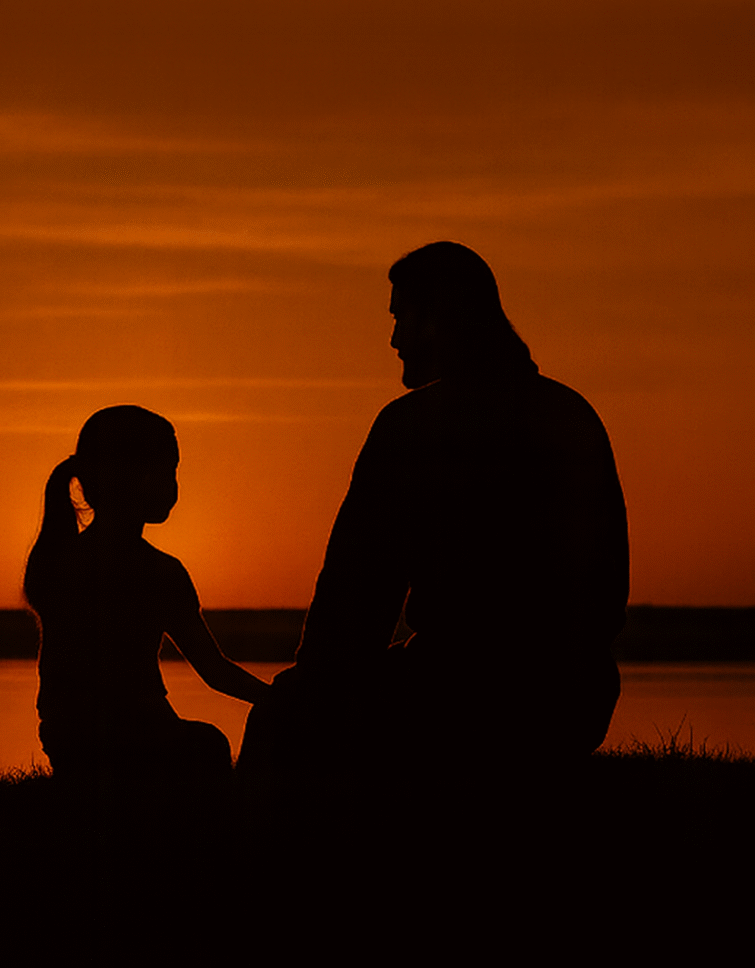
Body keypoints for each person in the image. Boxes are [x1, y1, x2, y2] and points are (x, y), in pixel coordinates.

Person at [237, 241, 629, 780]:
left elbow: (355, 593)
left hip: (463, 697)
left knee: (281, 720)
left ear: (442, 319)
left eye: (402, 317)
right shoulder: (571, 414)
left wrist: (312, 687)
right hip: (575, 701)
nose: (394, 339)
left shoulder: (413, 425)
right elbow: (608, 585)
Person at [23, 405, 273, 787]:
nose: (174, 484)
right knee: (210, 745)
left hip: (66, 741)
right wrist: (278, 702)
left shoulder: (58, 561)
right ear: (137, 478)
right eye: (169, 470)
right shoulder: (160, 572)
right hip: (132, 736)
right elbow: (213, 670)